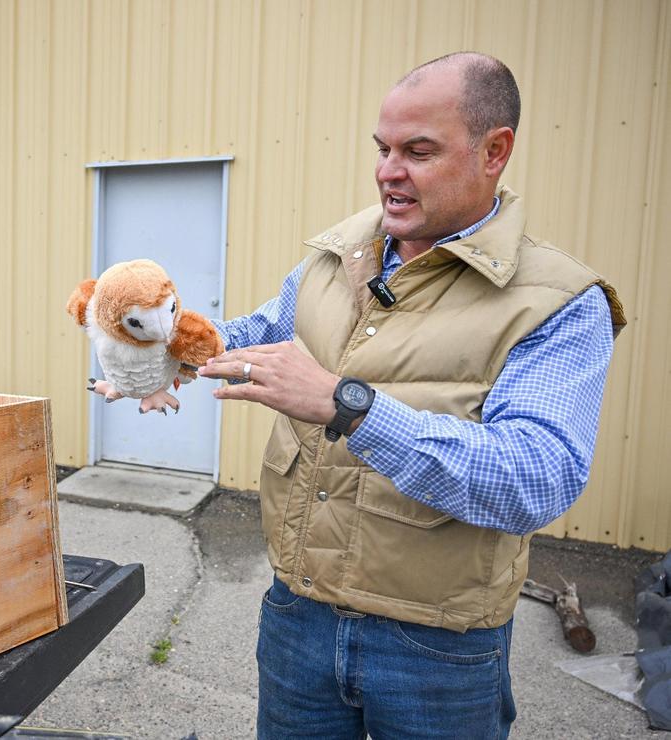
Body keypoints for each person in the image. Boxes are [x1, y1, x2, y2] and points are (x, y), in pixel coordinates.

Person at [197, 52, 627, 739]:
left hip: (438, 648)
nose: (388, 171)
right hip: (297, 615)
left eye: (417, 151)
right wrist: (157, 339)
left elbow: (535, 479)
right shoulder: (339, 256)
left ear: (495, 151)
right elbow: (254, 335)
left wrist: (349, 405)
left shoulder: (558, 302)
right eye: (384, 148)